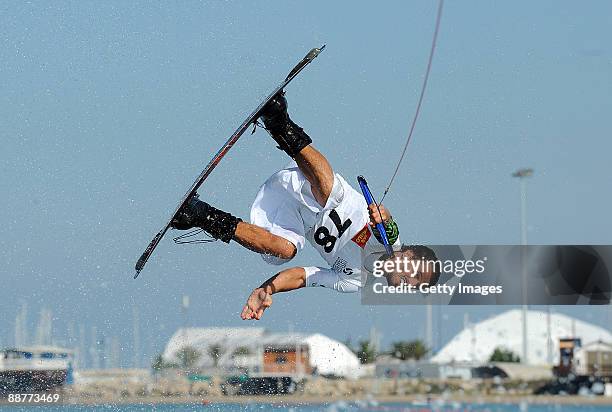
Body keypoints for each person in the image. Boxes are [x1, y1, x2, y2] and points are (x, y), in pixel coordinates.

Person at [170, 92, 440, 320]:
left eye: (415, 284)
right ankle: (278, 122)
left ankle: (197, 214)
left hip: (288, 214)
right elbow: (387, 227)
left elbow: (303, 276)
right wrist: (384, 217)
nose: (409, 279)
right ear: (408, 252)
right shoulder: (388, 241)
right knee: (329, 195)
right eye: (414, 270)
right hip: (307, 181)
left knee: (285, 251)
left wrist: (268, 289)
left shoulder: (355, 281)